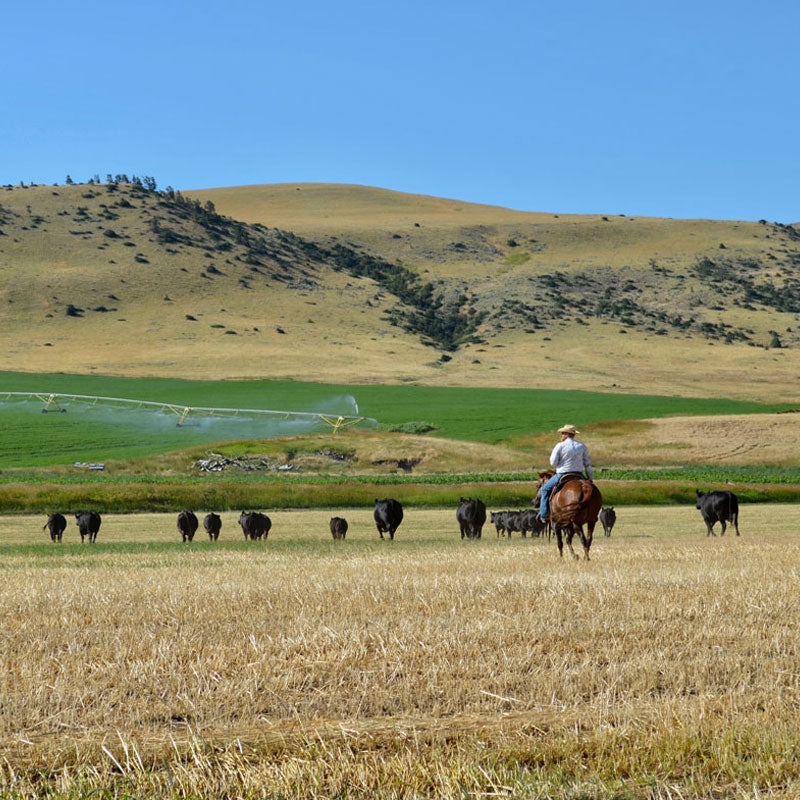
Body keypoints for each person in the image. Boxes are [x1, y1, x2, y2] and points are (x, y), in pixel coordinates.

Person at [539, 424, 593, 521]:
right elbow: (587, 464)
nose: (561, 435)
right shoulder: (582, 446)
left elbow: (552, 462)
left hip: (562, 474)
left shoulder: (560, 446)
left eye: (562, 433)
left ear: (567, 434)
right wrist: (590, 479)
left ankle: (543, 515)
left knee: (545, 490)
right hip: (579, 474)